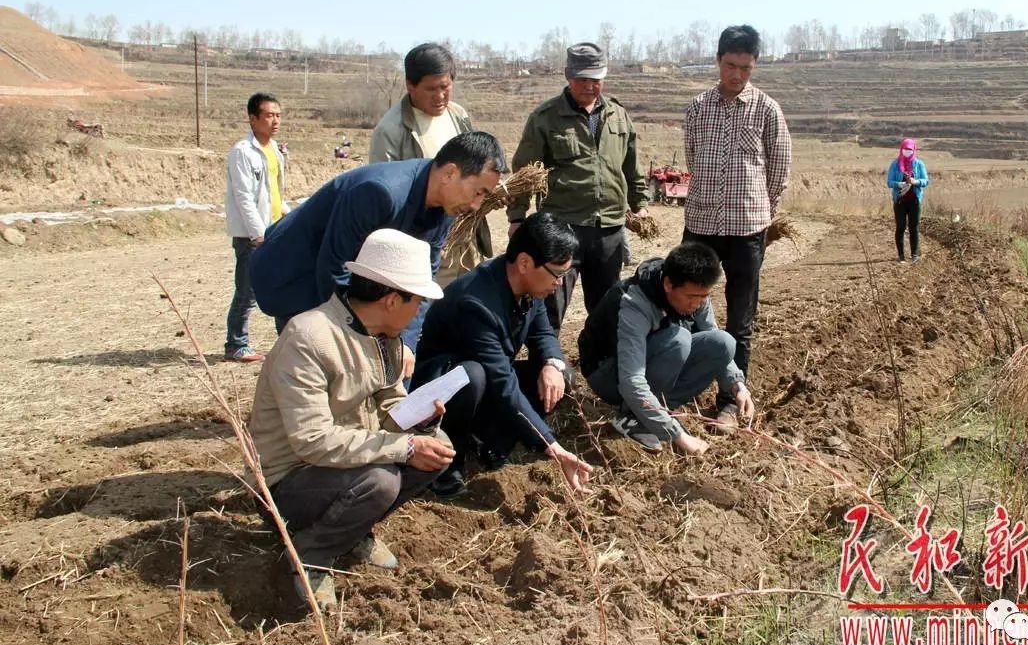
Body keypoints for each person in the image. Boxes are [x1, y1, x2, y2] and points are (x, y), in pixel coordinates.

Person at [247, 228, 456, 611]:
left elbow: (390, 401)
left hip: (343, 464)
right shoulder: (309, 338)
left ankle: (351, 529)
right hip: (291, 478)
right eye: (417, 303)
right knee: (381, 480)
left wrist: (419, 421)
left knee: (436, 450)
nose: (418, 312)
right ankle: (309, 555)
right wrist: (404, 446)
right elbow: (311, 441)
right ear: (393, 300)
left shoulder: (384, 337)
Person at [250, 131, 506, 359]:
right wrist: (361, 336)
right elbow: (333, 269)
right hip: (297, 275)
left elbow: (421, 282)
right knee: (316, 364)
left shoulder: (446, 209)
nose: (476, 205)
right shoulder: (380, 192)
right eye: (479, 192)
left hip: (342, 284)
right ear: (450, 173)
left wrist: (404, 343)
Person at [412, 212, 594, 497]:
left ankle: (490, 441)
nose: (560, 283)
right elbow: (501, 381)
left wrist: (552, 364)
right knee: (472, 376)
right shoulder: (477, 302)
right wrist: (552, 446)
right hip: (442, 389)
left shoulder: (528, 287)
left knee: (559, 375)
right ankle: (449, 457)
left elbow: (544, 334)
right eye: (558, 274)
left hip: (488, 379)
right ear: (524, 263)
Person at [682, 24, 791, 432]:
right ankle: (683, 388)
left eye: (746, 68)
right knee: (685, 310)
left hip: (747, 229)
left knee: (740, 318)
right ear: (718, 61)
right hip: (701, 224)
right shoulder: (697, 108)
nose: (737, 75)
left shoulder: (766, 110)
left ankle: (730, 401)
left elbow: (779, 170)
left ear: (754, 65)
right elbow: (692, 157)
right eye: (731, 65)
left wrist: (761, 210)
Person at [508, 42, 649, 329]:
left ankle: (600, 368)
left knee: (607, 309)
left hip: (608, 229)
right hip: (563, 227)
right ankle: (546, 363)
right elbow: (525, 171)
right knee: (551, 308)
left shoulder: (618, 116)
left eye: (595, 80)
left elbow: (631, 166)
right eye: (582, 79)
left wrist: (641, 205)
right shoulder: (546, 118)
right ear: (567, 75)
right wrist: (516, 217)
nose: (589, 86)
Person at [579, 241, 755, 452]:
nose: (696, 304)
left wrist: (737, 386)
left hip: (651, 359)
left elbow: (713, 338)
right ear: (668, 284)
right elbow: (631, 379)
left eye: (704, 297)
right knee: (678, 340)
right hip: (607, 373)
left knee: (723, 342)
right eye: (691, 297)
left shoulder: (695, 293)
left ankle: (652, 413)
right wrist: (677, 435)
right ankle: (631, 417)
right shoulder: (634, 302)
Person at [368, 43, 490, 282]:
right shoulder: (391, 131)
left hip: (464, 241)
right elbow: (383, 201)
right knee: (429, 314)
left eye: (445, 87)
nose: (440, 96)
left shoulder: (458, 116)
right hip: (423, 244)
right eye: (431, 89)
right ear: (410, 86)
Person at [223, 92, 288, 363]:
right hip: (253, 235)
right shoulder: (242, 152)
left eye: (278, 115)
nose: (275, 121)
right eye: (269, 115)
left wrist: (289, 216)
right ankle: (236, 344)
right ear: (253, 118)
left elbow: (273, 194)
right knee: (248, 291)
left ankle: (287, 341)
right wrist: (258, 234)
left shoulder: (274, 151)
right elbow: (244, 197)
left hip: (273, 230)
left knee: (283, 286)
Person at [887, 137, 930, 262]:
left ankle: (914, 254)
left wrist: (916, 181)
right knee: (900, 227)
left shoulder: (919, 164)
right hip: (900, 200)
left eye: (910, 149)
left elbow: (926, 181)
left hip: (914, 200)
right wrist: (899, 184)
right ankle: (901, 255)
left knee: (914, 227)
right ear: (901, 149)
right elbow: (889, 182)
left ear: (914, 150)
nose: (907, 151)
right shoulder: (895, 164)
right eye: (905, 149)